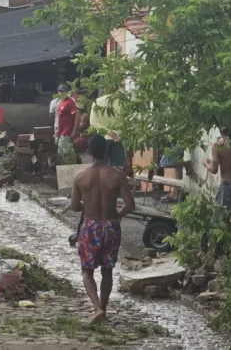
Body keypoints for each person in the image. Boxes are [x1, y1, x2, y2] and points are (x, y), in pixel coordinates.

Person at [71, 134, 135, 325]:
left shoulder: (80, 177)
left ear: (89, 152)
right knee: (108, 270)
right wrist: (118, 214)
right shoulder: (117, 175)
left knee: (86, 270)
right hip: (111, 225)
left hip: (91, 226)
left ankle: (97, 307)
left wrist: (87, 204)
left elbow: (74, 206)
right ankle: (104, 309)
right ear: (106, 150)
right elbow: (130, 204)